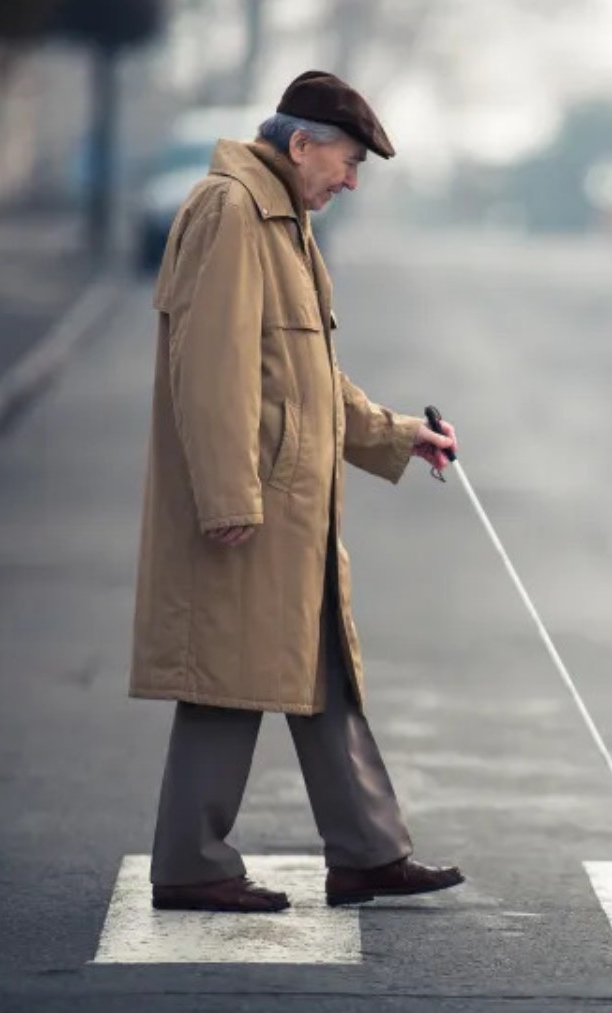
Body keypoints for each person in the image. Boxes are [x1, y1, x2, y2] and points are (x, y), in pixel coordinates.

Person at [129, 70, 464, 913]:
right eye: (346, 162)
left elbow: (305, 377)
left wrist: (395, 431)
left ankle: (367, 853)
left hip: (293, 510)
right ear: (300, 144)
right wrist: (229, 496)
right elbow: (212, 371)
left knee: (321, 676)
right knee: (224, 679)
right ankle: (193, 864)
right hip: (256, 504)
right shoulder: (234, 213)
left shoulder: (283, 223)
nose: (350, 180)